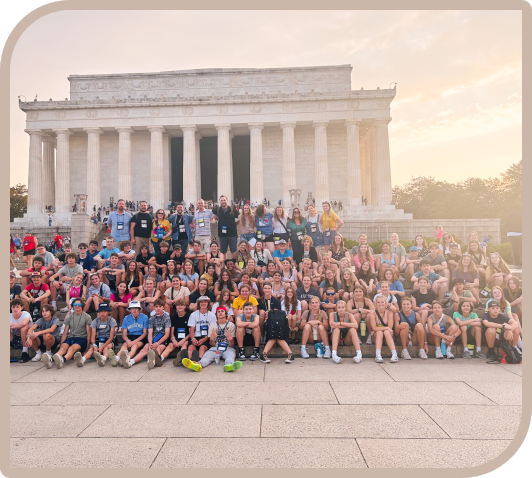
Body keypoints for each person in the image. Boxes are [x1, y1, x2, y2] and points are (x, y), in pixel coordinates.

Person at [182, 305, 242, 372]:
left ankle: (229, 366)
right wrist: (212, 339)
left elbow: (231, 345)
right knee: (207, 356)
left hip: (228, 348)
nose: (220, 313)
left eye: (222, 311)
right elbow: (212, 344)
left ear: (226, 313)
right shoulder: (212, 325)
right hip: (215, 348)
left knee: (230, 355)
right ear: (216, 314)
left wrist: (229, 337)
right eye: (218, 311)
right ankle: (198, 365)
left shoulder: (231, 325)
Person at [122, 298, 172, 369]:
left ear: (163, 307)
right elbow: (150, 332)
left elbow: (167, 334)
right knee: (144, 349)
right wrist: (150, 343)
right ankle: (131, 362)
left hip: (162, 340)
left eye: (160, 307)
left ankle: (151, 361)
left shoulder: (166, 318)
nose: (158, 309)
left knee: (158, 349)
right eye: (156, 307)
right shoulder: (151, 318)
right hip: (153, 339)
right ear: (154, 307)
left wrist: (157, 344)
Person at [45, 299, 92, 369]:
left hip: (82, 339)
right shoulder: (69, 317)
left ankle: (62, 360)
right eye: (75, 305)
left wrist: (87, 348)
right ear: (72, 306)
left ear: (82, 305)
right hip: (71, 338)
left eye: (79, 305)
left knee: (71, 348)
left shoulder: (87, 317)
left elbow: (89, 333)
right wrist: (61, 345)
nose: (77, 306)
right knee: (63, 347)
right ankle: (52, 359)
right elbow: (65, 333)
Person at [73, 303, 117, 367]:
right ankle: (82, 360)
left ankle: (103, 359)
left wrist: (102, 347)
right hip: (98, 339)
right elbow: (93, 336)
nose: (103, 313)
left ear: (108, 312)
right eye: (101, 311)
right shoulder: (95, 321)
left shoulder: (112, 321)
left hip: (109, 340)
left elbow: (111, 337)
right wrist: (94, 345)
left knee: (106, 348)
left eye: (105, 311)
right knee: (91, 349)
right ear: (98, 312)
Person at [114, 300, 149, 367]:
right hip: (129, 336)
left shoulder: (144, 317)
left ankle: (127, 359)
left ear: (139, 309)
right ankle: (116, 359)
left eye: (136, 308)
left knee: (134, 346)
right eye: (132, 308)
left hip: (140, 337)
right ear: (130, 309)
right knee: (124, 345)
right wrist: (128, 341)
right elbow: (124, 334)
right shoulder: (126, 318)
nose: (134, 310)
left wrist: (134, 342)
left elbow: (144, 333)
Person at [160, 299, 191, 366]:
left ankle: (182, 358)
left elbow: (190, 333)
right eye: (178, 305)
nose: (180, 307)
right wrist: (174, 340)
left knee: (184, 345)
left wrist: (183, 340)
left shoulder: (189, 316)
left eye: (181, 305)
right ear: (176, 307)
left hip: (185, 338)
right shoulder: (173, 317)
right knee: (169, 347)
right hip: (176, 337)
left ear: (185, 306)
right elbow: (172, 332)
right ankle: (160, 358)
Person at [187, 295, 216, 362]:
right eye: (201, 302)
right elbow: (191, 329)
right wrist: (193, 339)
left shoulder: (212, 315)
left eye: (205, 302)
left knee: (202, 348)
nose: (203, 304)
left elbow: (212, 331)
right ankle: (188, 361)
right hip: (196, 336)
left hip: (206, 336)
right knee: (191, 347)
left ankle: (197, 360)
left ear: (208, 304)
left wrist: (204, 339)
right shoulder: (193, 314)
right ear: (199, 304)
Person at [370, 296, 399, 363]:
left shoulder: (389, 312)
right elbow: (374, 328)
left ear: (385, 303)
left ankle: (394, 355)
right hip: (377, 335)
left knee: (386, 332)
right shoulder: (373, 313)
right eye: (378, 302)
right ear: (376, 304)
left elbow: (390, 327)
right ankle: (378, 355)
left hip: (387, 336)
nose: (380, 304)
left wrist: (387, 328)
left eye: (382, 302)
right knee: (380, 332)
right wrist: (386, 328)